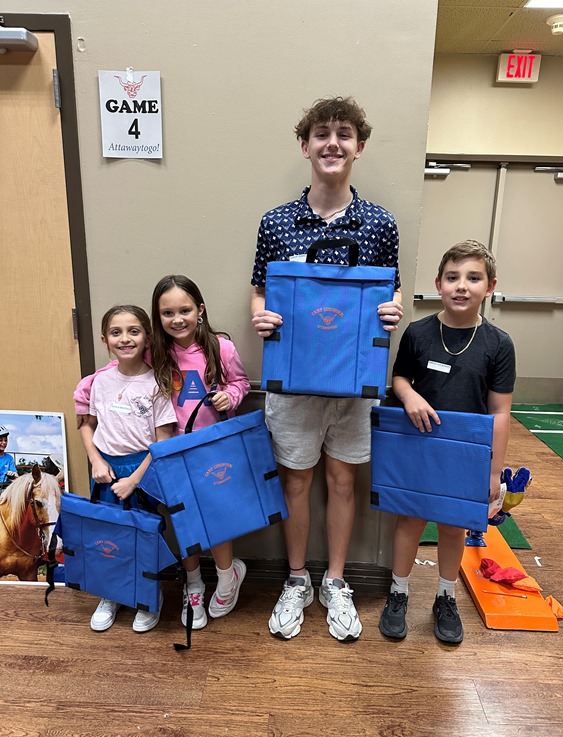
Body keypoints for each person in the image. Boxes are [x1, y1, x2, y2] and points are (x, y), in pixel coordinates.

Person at [250, 96, 403, 642]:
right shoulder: (276, 222)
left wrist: (393, 309)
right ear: (305, 146)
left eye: (343, 134)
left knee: (343, 480)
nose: (332, 143)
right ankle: (296, 579)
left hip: (354, 383)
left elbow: (390, 289)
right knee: (296, 480)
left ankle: (336, 581)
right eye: (321, 133)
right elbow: (260, 289)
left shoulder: (380, 224)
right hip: (293, 383)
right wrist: (260, 316)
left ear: (359, 147)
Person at [75, 275, 251, 632]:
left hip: (211, 449)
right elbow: (119, 368)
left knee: (215, 519)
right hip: (169, 453)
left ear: (200, 310)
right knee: (182, 522)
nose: (177, 319)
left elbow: (240, 382)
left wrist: (231, 395)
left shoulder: (221, 348)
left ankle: (227, 576)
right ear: (158, 317)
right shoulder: (155, 351)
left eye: (185, 310)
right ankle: (193, 586)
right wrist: (86, 389)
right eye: (167, 313)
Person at [379, 240, 515, 645]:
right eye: (453, 277)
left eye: (473, 278)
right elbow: (399, 377)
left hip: (466, 454)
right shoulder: (419, 332)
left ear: (490, 286)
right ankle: (398, 593)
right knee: (410, 520)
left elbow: (500, 412)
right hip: (419, 445)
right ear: (438, 283)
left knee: (454, 526)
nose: (462, 286)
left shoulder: (498, 344)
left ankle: (445, 596)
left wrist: (493, 471)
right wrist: (409, 395)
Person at [79, 304, 177, 633]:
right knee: (109, 534)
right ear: (104, 339)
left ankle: (149, 595)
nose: (125, 339)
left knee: (143, 535)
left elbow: (163, 442)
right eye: (116, 332)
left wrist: (134, 480)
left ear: (147, 337)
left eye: (133, 331)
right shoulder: (99, 382)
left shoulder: (157, 383)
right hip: (106, 468)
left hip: (142, 471)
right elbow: (89, 425)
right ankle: (111, 594)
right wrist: (96, 461)